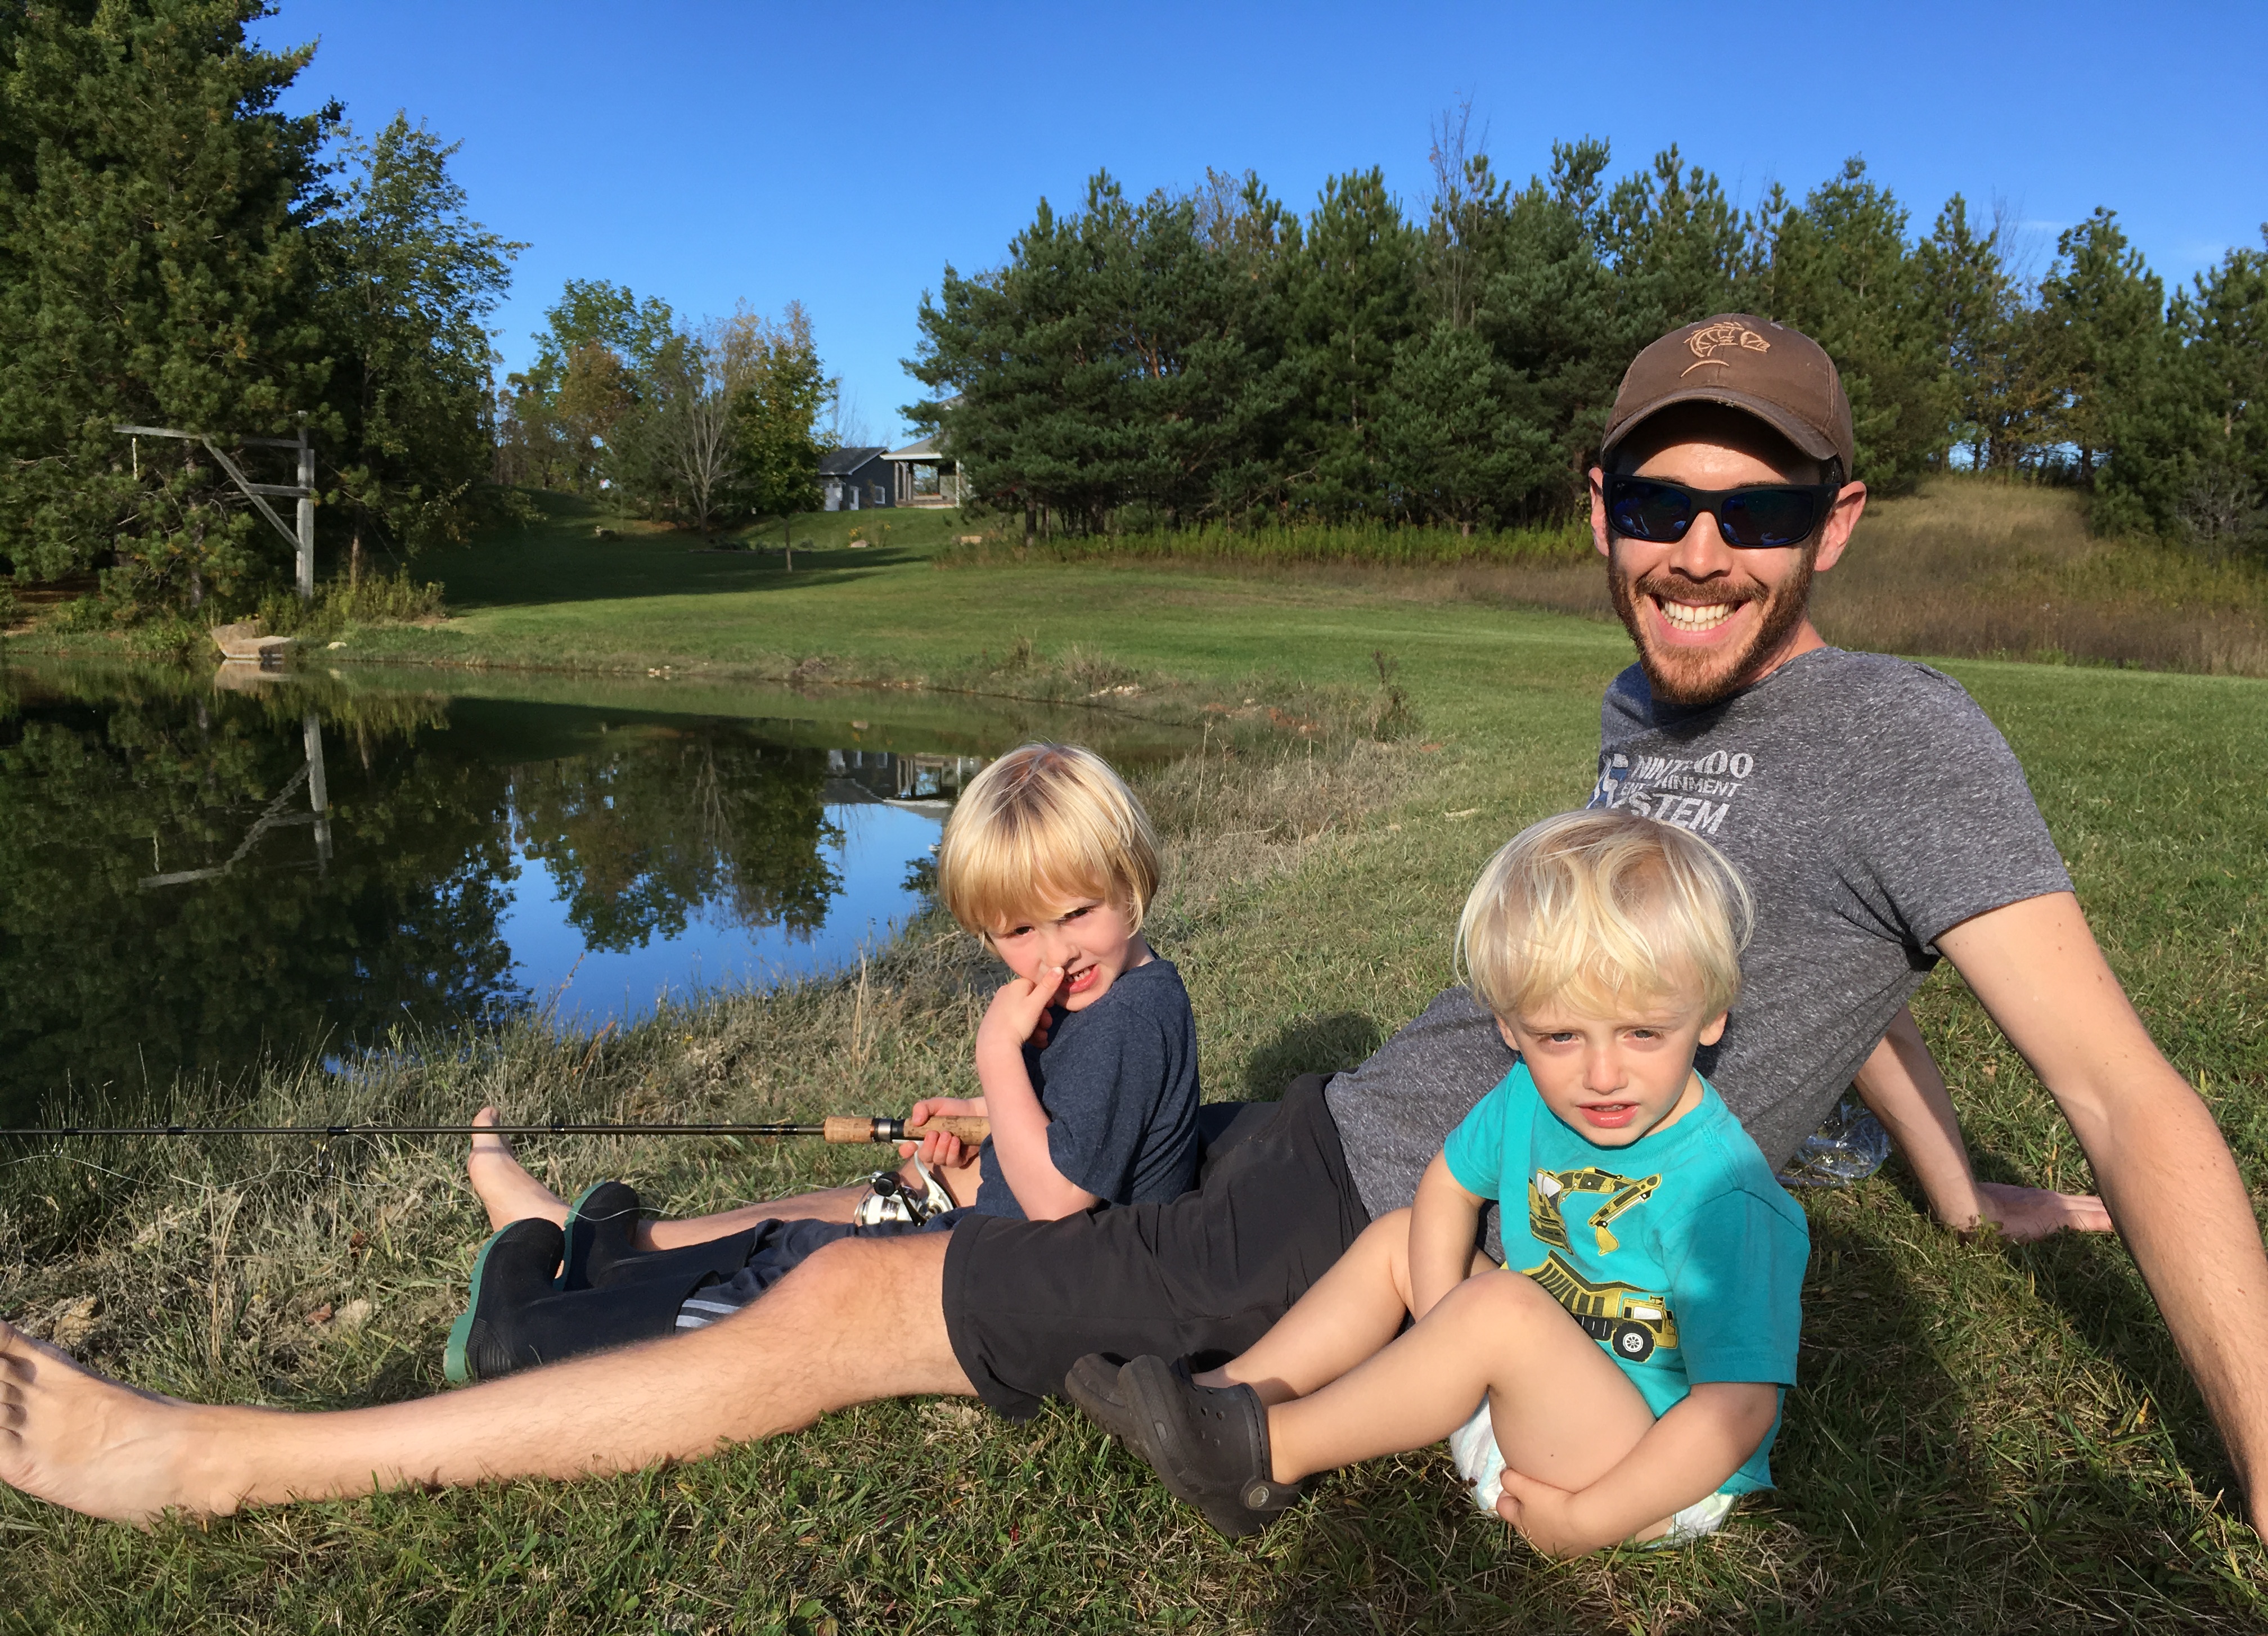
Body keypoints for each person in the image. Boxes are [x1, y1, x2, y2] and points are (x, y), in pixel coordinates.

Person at [5, 316, 2263, 1534]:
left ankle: (202, 1462)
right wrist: (1956, 1190)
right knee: (953, 1178)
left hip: (1387, 1200)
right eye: (1657, 501)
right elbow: (1748, 976)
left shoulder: (1914, 737)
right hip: (1355, 1134)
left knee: (875, 1307)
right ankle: (599, 1263)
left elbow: (2134, 1092)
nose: (1696, 546)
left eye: (1751, 504)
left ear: (1835, 520)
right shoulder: (1646, 692)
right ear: (1601, 507)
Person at [1076, 812, 1807, 1554]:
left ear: (1712, 1015)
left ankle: (1268, 1456)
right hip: (1533, 1396)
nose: (1603, 1074)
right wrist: (1441, 1335)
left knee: (1502, 1310)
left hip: (1644, 1474)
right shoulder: (1529, 1096)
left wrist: (1589, 1520)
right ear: (1508, 1028)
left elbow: (1735, 1411)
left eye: (1644, 1033)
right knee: (1401, 1236)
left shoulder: (1724, 1196)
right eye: (1561, 1036)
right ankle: (1225, 1398)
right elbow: (1449, 1186)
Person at [443, 741, 1204, 1382]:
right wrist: (986, 1117)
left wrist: (998, 1054)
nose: (1057, 952)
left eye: (1077, 913)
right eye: (1020, 931)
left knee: (785, 1288)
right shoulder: (1117, 994)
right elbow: (1086, 1131)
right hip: (1019, 1262)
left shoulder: (1126, 1016)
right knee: (790, 1247)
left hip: (1041, 1286)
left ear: (1130, 875)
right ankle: (598, 1265)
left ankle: (532, 1340)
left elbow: (1055, 1200)